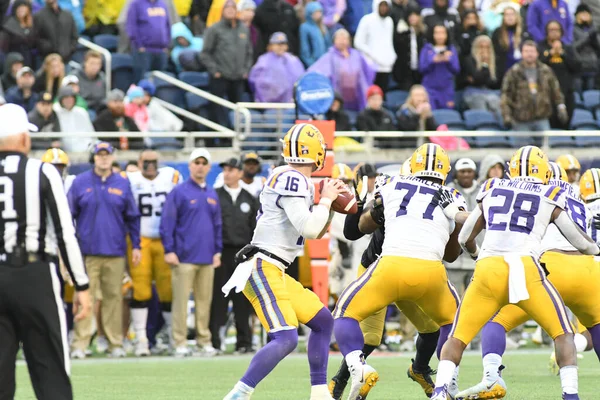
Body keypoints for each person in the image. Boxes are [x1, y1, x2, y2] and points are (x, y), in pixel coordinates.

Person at [431, 146, 600, 400]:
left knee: (458, 336)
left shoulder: (492, 187)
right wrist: (594, 247)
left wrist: (476, 254)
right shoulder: (551, 192)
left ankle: (441, 391)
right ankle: (571, 395)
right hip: (528, 269)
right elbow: (580, 242)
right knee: (563, 333)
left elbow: (465, 235)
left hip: (489, 267)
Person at [222, 123, 344, 400]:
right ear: (316, 153)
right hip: (262, 266)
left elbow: (317, 227)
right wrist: (326, 200)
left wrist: (330, 208)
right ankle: (239, 394)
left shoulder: (292, 178)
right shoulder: (291, 177)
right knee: (286, 338)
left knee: (323, 321)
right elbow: (310, 230)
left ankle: (319, 392)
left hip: (274, 268)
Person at [335, 143, 465, 399]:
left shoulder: (391, 184)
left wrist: (371, 207)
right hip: (431, 272)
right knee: (455, 325)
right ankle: (446, 386)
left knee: (343, 313)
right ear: (446, 171)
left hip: (389, 267)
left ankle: (357, 367)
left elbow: (359, 227)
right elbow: (451, 255)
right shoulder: (452, 196)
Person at [0, 104, 90, 400]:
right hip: (34, 273)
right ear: (24, 138)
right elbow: (65, 231)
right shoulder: (42, 171)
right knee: (49, 367)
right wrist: (82, 285)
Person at [68, 142, 141, 360]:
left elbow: (132, 217)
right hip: (88, 252)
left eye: (107, 155)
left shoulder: (122, 183)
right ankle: (80, 344)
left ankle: (114, 343)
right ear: (93, 158)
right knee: (85, 298)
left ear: (112, 157)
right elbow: (68, 215)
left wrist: (136, 245)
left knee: (113, 298)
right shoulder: (80, 183)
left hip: (115, 251)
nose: (103, 158)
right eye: (99, 155)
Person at [160, 148, 222, 357]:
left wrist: (217, 250)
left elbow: (217, 224)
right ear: (190, 165)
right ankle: (179, 341)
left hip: (207, 257)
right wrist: (169, 249)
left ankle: (203, 341)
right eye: (197, 162)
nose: (200, 167)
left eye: (204, 163)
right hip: (184, 257)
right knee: (181, 301)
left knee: (205, 301)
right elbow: (167, 223)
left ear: (209, 167)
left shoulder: (212, 193)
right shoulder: (179, 192)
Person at [127, 149, 181, 357]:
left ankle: (170, 335)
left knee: (167, 290)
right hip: (140, 239)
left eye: (153, 162)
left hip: (165, 239)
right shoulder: (129, 179)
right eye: (146, 162)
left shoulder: (170, 176)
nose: (150, 166)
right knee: (140, 289)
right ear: (139, 162)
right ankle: (141, 338)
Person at [210, 157, 259, 354]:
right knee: (219, 299)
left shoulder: (249, 198)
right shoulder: (215, 196)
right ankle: (215, 342)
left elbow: (255, 229)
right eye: (225, 170)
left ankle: (244, 342)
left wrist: (252, 255)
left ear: (240, 173)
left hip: (242, 255)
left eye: (232, 170)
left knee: (242, 300)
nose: (228, 173)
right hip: (221, 252)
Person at [199, 0, 253, 126]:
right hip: (220, 76)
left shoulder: (244, 29)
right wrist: (215, 71)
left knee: (237, 109)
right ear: (222, 11)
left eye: (233, 9)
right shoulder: (214, 29)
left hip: (238, 77)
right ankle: (215, 139)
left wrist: (246, 70)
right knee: (216, 108)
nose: (230, 11)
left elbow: (249, 52)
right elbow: (205, 53)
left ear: (237, 11)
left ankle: (235, 136)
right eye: (227, 9)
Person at [500, 40, 567, 131]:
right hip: (520, 121)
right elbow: (506, 96)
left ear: (537, 53)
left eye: (532, 51)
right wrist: (506, 116)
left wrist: (561, 108)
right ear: (522, 53)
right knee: (522, 145)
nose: (529, 54)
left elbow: (556, 92)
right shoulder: (513, 72)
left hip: (542, 119)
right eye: (526, 51)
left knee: (544, 145)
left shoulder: (546, 71)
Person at [308, 28, 376, 111]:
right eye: (339, 38)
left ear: (349, 40)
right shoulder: (330, 56)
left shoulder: (356, 54)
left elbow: (368, 70)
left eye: (344, 38)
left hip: (357, 97)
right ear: (334, 41)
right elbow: (316, 71)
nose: (342, 41)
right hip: (337, 97)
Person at [539, 20, 581, 129]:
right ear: (547, 32)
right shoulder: (541, 48)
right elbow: (537, 66)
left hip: (566, 91)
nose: (554, 32)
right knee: (550, 124)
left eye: (556, 30)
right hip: (547, 93)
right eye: (551, 30)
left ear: (561, 32)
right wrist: (550, 54)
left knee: (566, 123)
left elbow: (576, 67)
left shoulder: (568, 48)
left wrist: (562, 54)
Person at [445, 157, 478, 292]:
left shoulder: (483, 191)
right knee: (453, 301)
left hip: (476, 258)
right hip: (453, 260)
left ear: (474, 173)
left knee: (476, 302)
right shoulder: (447, 191)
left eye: (469, 171)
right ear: (456, 174)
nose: (466, 174)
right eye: (462, 171)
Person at [354, 0, 397, 94]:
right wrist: (373, 55)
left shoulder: (389, 21)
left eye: (386, 6)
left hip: (386, 65)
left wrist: (392, 55)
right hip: (371, 65)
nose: (384, 8)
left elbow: (388, 41)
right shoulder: (367, 19)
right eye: (381, 5)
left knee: (383, 93)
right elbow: (358, 42)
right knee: (371, 92)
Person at [249, 32, 305, 103]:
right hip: (269, 103)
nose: (280, 47)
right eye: (278, 44)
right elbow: (253, 80)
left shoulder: (294, 60)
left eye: (283, 44)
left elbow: (301, 78)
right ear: (271, 45)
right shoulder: (264, 60)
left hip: (290, 103)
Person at [126, 0, 171, 82]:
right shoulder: (136, 4)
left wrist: (166, 45)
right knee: (142, 80)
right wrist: (139, 45)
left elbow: (167, 25)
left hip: (161, 50)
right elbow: (131, 26)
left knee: (160, 81)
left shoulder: (162, 3)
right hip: (144, 50)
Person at [420, 24, 460, 109]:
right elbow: (421, 68)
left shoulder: (451, 49)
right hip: (430, 89)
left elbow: (456, 69)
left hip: (446, 89)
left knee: (447, 115)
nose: (440, 36)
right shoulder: (427, 49)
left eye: (442, 33)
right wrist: (433, 61)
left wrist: (448, 61)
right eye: (437, 33)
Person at [462, 35, 501, 113]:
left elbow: (494, 83)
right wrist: (484, 65)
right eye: (481, 47)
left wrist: (479, 77)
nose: (484, 50)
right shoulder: (469, 60)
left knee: (495, 102)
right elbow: (477, 80)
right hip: (473, 92)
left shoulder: (495, 61)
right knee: (480, 103)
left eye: (487, 47)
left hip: (490, 92)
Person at [53, 86, 95, 152]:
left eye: (71, 98)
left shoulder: (81, 112)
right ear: (61, 99)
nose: (69, 100)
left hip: (84, 150)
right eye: (66, 98)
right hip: (62, 151)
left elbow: (91, 134)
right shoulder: (55, 111)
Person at [392, 9, 426, 91]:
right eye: (410, 15)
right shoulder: (402, 33)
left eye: (415, 15)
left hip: (419, 71)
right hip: (405, 71)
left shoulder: (423, 34)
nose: (413, 18)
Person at [491, 5, 523, 84]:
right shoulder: (497, 33)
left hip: (522, 71)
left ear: (517, 16)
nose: (510, 17)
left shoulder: (524, 32)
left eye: (512, 14)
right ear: (503, 17)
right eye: (507, 15)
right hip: (504, 71)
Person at [0, 0, 38, 67]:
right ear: (15, 9)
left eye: (24, 7)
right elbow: (3, 48)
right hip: (14, 61)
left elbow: (34, 44)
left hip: (30, 60)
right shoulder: (8, 26)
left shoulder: (31, 25)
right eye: (19, 8)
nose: (21, 10)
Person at [573, 4, 600, 92]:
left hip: (592, 67)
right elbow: (573, 47)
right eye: (582, 13)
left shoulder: (594, 29)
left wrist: (594, 39)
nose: (584, 15)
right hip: (579, 67)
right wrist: (587, 37)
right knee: (578, 96)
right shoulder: (573, 29)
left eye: (586, 13)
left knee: (591, 97)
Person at [299, 2, 331, 67]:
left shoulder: (323, 27)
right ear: (310, 13)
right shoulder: (304, 27)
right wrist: (311, 63)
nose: (318, 15)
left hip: (324, 62)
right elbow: (304, 48)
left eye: (320, 12)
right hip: (313, 63)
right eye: (316, 12)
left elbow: (328, 44)